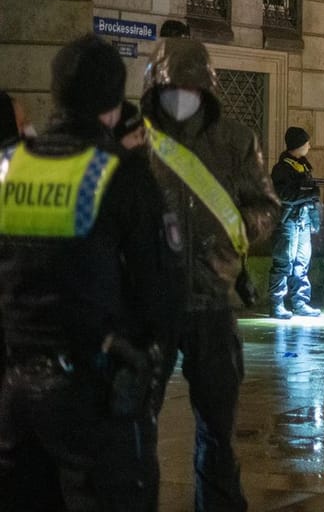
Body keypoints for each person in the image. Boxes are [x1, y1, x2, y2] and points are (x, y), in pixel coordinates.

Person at [0, 34, 184, 509]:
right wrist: (148, 380)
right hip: (93, 396)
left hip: (15, 394)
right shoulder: (117, 172)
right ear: (112, 104)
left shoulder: (8, 166)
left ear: (56, 93)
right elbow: (161, 293)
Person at [142, 36, 279, 512]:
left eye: (191, 87)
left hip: (212, 300)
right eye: (171, 87)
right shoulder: (137, 142)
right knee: (138, 428)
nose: (181, 95)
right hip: (150, 305)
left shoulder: (235, 141)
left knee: (217, 431)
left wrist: (239, 230)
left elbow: (265, 204)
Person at [269, 127, 322, 319]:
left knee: (302, 261)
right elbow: (285, 195)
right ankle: (277, 304)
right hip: (288, 220)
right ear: (298, 144)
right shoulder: (282, 168)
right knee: (284, 261)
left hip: (303, 219)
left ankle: (300, 301)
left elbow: (311, 191)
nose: (309, 146)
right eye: (306, 142)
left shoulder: (304, 166)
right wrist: (308, 193)